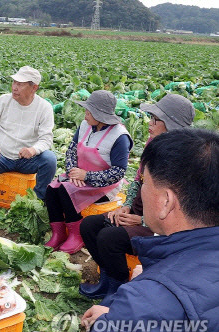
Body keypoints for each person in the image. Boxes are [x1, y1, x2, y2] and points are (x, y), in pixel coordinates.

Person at [62, 128, 219, 332]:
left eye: (145, 183)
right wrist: (113, 315)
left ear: (166, 202)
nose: (141, 190)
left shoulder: (149, 302)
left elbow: (150, 322)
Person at [79, 94, 195, 304]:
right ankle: (106, 279)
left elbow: (178, 208)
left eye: (155, 120)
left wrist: (142, 221)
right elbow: (137, 181)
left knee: (109, 238)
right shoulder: (152, 144)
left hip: (163, 223)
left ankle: (119, 286)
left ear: (171, 125)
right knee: (89, 225)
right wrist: (125, 207)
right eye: (150, 118)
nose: (149, 124)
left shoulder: (185, 160)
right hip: (142, 211)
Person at [44, 90, 132, 254]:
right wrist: (72, 172)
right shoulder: (86, 125)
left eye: (89, 112)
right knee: (51, 189)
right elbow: (71, 151)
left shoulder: (120, 136)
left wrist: (87, 176)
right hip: (78, 177)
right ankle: (59, 233)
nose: (85, 115)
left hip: (104, 186)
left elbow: (118, 173)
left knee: (65, 191)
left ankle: (77, 235)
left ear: (100, 115)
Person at [0, 66, 57, 220]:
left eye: (20, 84)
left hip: (27, 160)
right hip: (1, 157)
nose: (14, 87)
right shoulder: (3, 101)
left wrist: (33, 150)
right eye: (14, 82)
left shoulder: (44, 107)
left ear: (34, 88)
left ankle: (37, 201)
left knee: (49, 159)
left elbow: (46, 138)